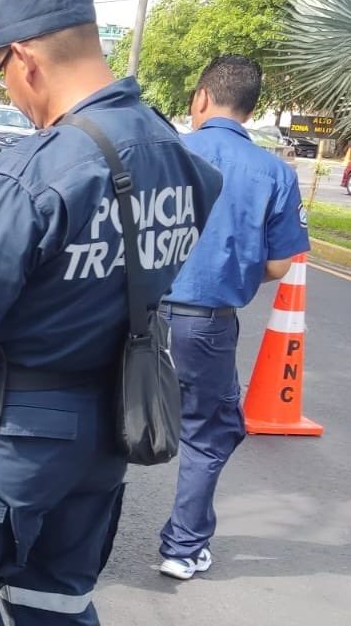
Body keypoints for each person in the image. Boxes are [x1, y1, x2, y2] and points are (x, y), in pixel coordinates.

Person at [0, 0, 223, 626]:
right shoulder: (180, 158)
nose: (11, 93)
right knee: (56, 604)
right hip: (108, 433)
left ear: (23, 59)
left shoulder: (33, 174)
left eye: (2, 76)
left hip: (10, 440)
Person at [157, 55, 310, 581]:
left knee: (106, 417)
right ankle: (182, 547)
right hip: (206, 325)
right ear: (253, 107)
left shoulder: (163, 152)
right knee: (208, 429)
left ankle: (72, 543)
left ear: (200, 98)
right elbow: (277, 264)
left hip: (130, 317)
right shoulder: (274, 172)